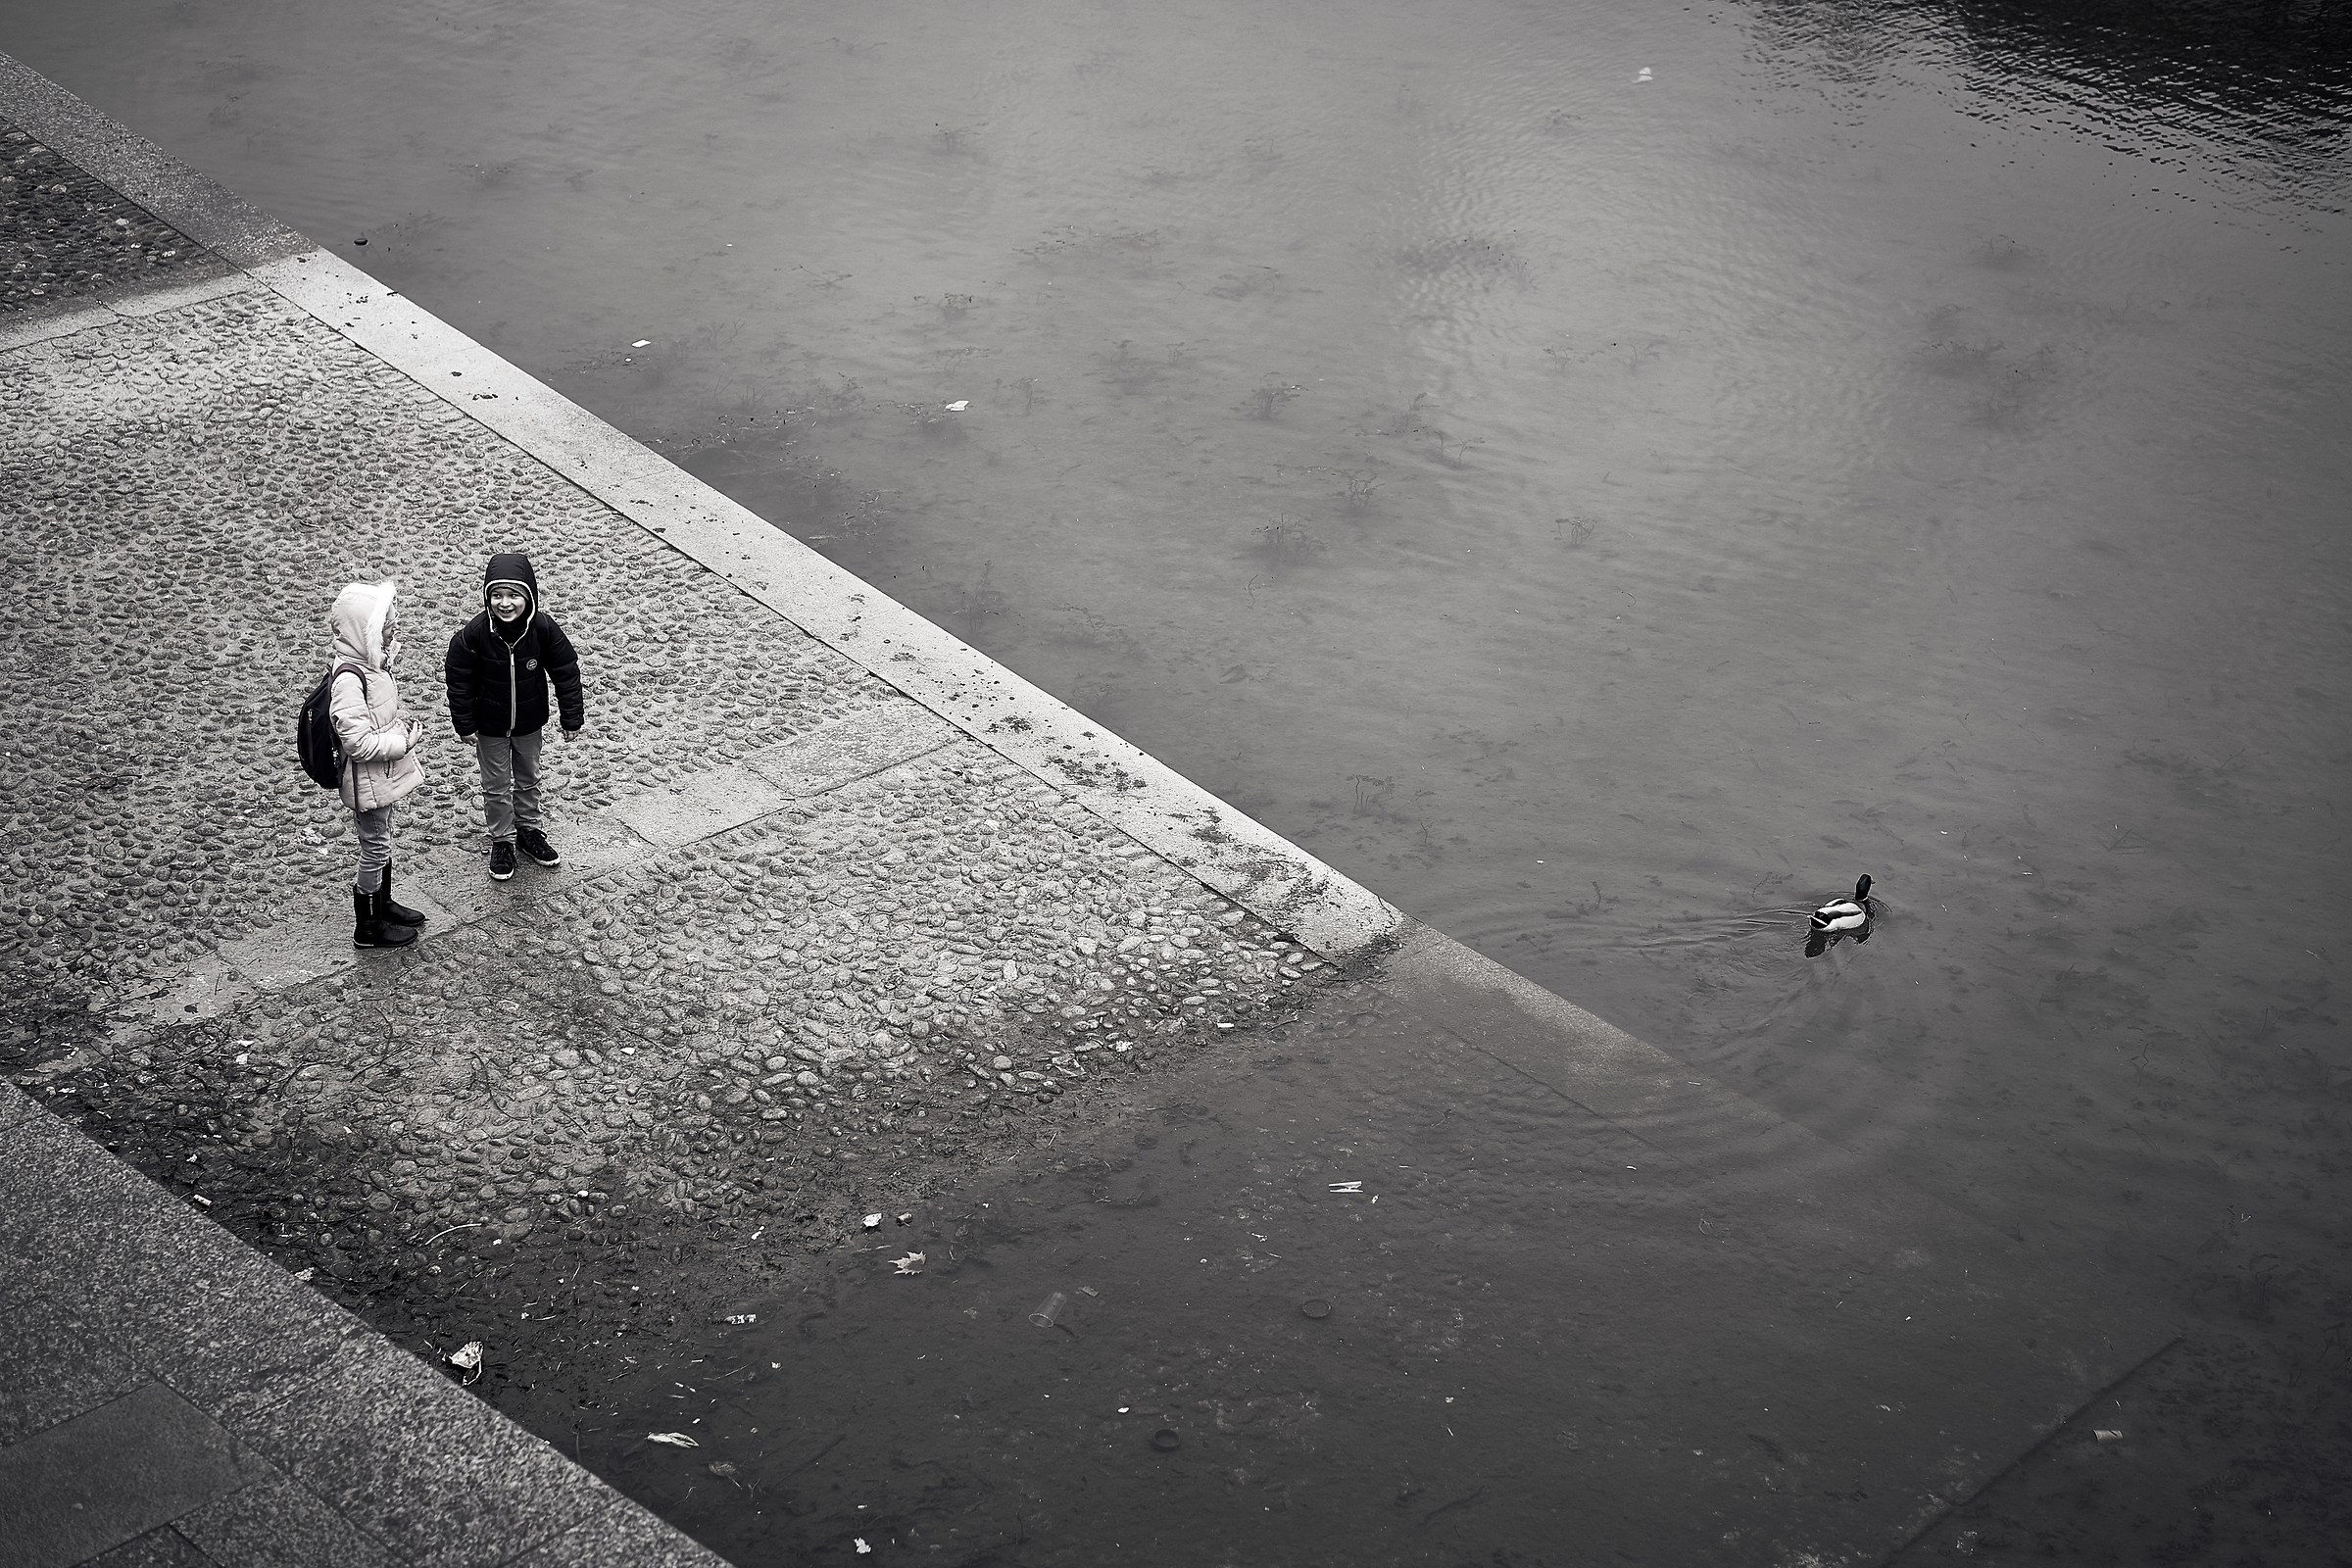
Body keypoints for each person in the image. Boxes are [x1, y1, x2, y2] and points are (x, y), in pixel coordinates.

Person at [444, 551, 585, 881]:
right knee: (495, 785)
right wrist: (464, 723)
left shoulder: (543, 628)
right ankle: (503, 839)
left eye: (513, 595)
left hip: (529, 721)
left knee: (529, 777)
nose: (505, 603)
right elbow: (458, 680)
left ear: (529, 595)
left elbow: (566, 672)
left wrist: (571, 718)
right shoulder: (475, 634)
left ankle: (529, 831)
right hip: (489, 725)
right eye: (497, 595)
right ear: (487, 597)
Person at [328, 580, 429, 949]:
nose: (395, 624)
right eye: (387, 621)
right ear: (366, 630)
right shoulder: (350, 680)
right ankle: (368, 926)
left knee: (381, 841)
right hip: (367, 778)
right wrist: (402, 743)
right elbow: (358, 741)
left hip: (379, 775)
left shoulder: (368, 664)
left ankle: (382, 904)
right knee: (374, 846)